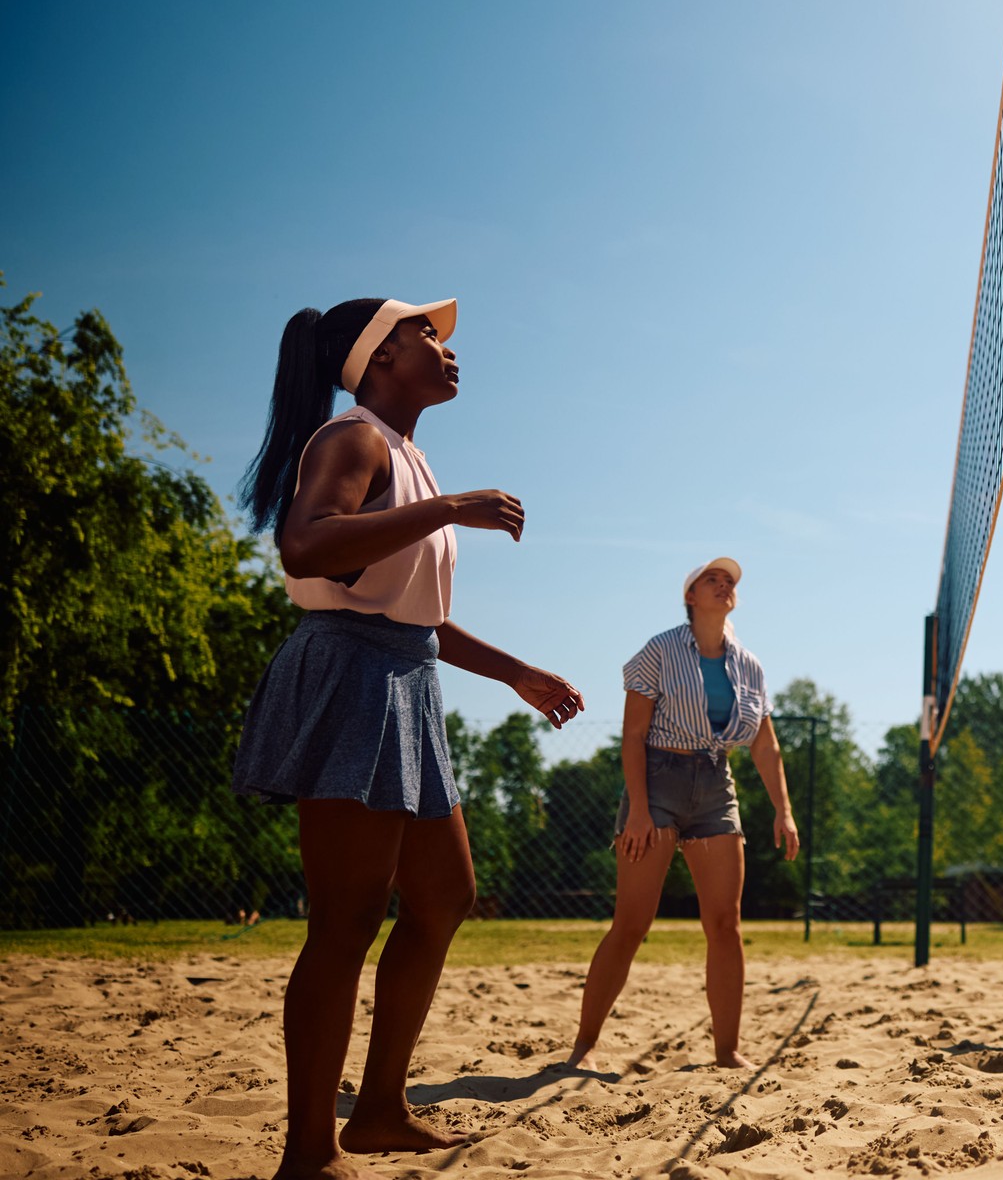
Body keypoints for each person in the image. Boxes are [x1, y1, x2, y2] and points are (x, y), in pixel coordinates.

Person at [231, 296, 584, 1180]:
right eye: (425, 332)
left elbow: (416, 618)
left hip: (402, 676)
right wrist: (452, 508)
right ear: (378, 356)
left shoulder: (411, 458)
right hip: (352, 679)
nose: (446, 345)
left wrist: (516, 673)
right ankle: (308, 1151)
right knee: (345, 923)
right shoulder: (350, 440)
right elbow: (305, 547)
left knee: (443, 897)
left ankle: (379, 1109)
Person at [567, 557, 800, 1071]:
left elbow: (766, 747)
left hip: (717, 783)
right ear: (690, 596)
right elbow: (632, 737)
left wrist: (783, 811)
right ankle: (584, 1046)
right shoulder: (659, 650)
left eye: (730, 581)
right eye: (711, 579)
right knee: (631, 923)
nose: (724, 585)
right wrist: (639, 812)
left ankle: (727, 1052)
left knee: (726, 923)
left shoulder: (750, 665)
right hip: (658, 780)